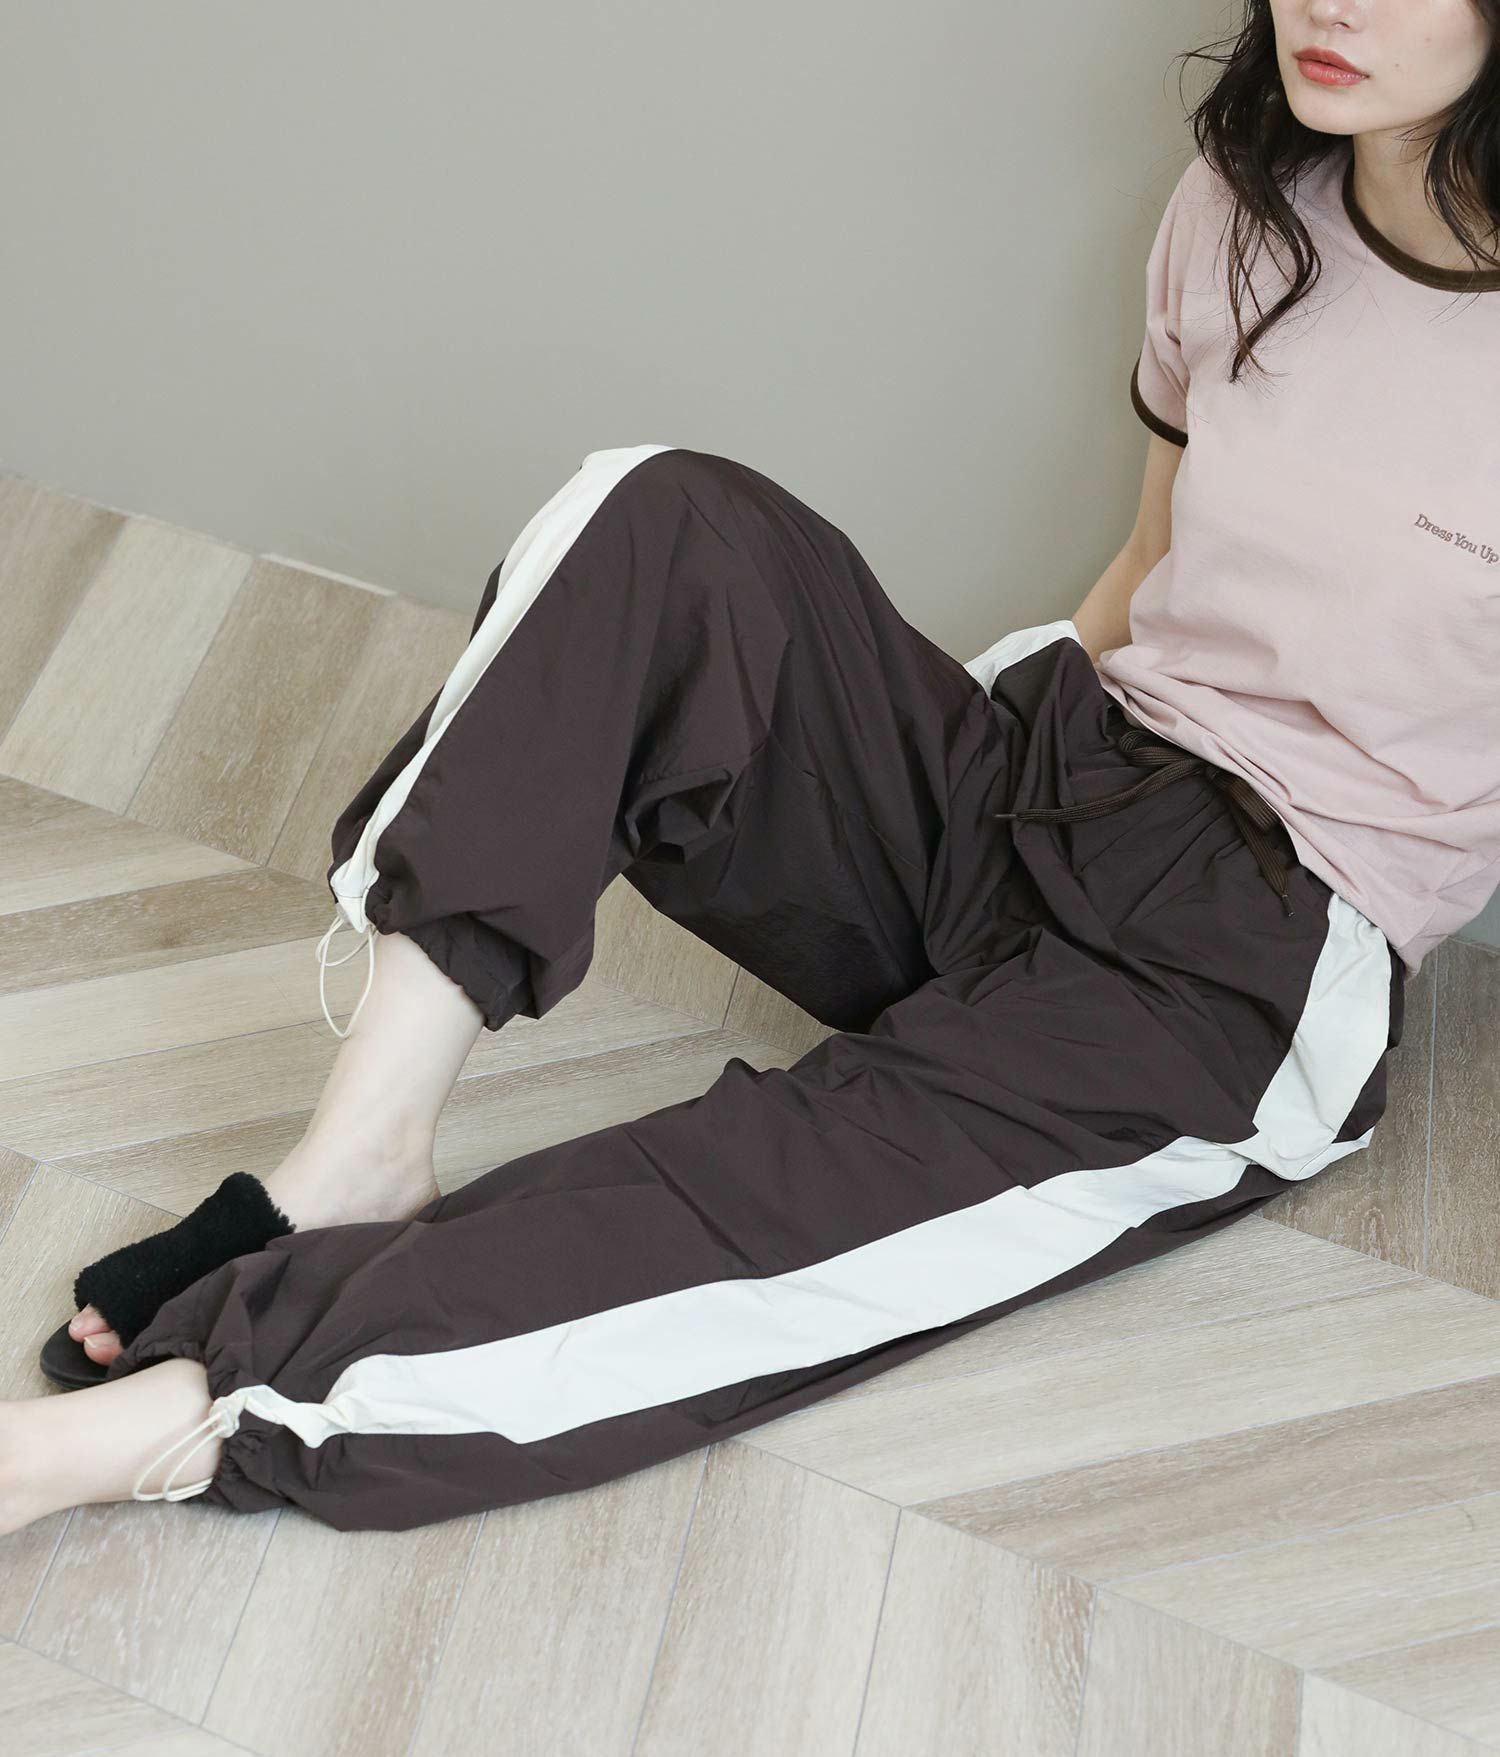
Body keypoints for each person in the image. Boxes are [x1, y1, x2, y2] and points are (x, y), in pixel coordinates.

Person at [3, 0, 1495, 1536]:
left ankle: (128, 1436)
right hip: (1059, 770)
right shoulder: (1247, 201)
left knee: (750, 1209)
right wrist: (926, 766)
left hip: (1240, 969)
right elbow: (1148, 561)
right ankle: (353, 1156)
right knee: (663, 518)